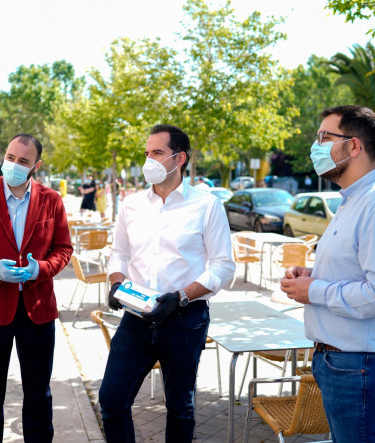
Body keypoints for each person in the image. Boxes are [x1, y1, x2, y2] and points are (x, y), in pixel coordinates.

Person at [280, 105, 375, 442]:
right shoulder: (354, 200)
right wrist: (313, 275)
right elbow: (358, 269)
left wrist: (313, 290)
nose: (316, 147)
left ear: (354, 146)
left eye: (325, 138)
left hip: (363, 365)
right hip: (347, 363)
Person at [99, 124, 235, 442]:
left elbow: (223, 267)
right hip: (136, 317)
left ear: (179, 158)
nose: (149, 160)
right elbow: (119, 253)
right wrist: (117, 283)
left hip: (185, 319)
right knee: (111, 399)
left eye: (157, 153)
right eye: (147, 153)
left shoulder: (207, 205)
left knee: (180, 406)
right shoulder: (132, 205)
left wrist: (180, 297)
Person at [0, 133, 73, 443]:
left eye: (23, 161)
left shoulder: (51, 200)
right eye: (10, 157)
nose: (14, 165)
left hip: (38, 311)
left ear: (36, 165)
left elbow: (63, 249)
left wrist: (40, 269)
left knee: (38, 394)